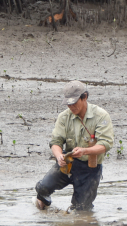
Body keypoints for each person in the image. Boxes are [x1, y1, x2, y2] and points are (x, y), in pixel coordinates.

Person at [34, 80, 114, 211]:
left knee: (82, 209)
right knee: (42, 187)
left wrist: (85, 151)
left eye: (74, 102)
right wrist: (59, 156)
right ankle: (42, 199)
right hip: (68, 163)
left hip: (90, 168)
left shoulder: (101, 116)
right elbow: (56, 142)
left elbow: (105, 144)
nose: (71, 107)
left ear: (85, 97)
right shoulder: (64, 117)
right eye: (68, 104)